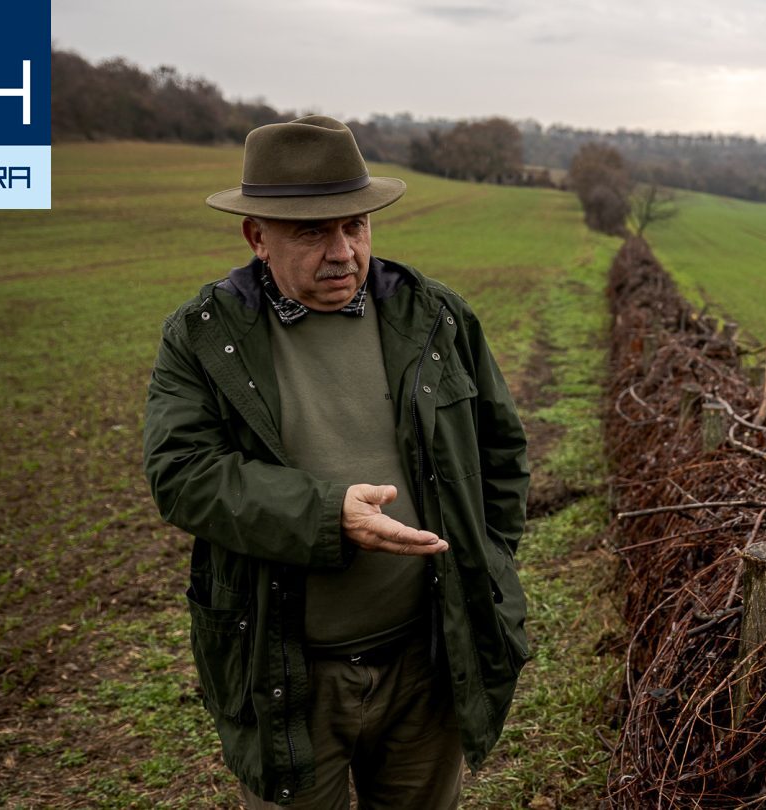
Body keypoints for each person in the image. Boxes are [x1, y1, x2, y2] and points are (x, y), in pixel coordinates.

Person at [142, 115, 531, 809]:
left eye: (355, 225)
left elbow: (501, 453)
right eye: (312, 231)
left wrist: (489, 564)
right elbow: (182, 475)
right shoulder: (204, 337)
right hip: (289, 674)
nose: (343, 251)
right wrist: (327, 515)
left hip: (429, 661)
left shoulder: (435, 318)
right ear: (256, 236)